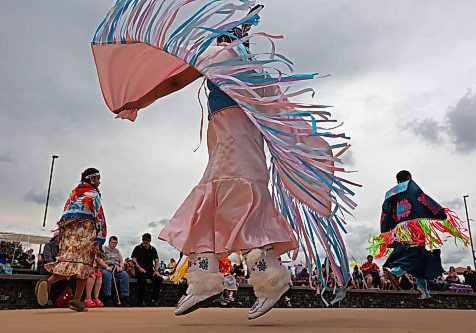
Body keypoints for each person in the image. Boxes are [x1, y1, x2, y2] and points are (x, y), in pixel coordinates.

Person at [93, 1, 358, 320]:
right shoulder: (247, 63)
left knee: (226, 203)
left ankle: (248, 281)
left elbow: (177, 81)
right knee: (222, 205)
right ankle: (217, 279)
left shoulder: (219, 55)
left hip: (233, 137)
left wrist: (137, 101)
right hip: (233, 135)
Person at [371, 170, 468, 302]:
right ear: (408, 177)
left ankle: (424, 293)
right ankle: (396, 272)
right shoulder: (410, 185)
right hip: (413, 225)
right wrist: (439, 212)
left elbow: (385, 213)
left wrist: (385, 232)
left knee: (420, 257)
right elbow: (422, 198)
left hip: (400, 228)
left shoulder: (391, 194)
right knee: (417, 252)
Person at [36, 167, 107, 312]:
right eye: (98, 178)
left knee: (68, 263)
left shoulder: (74, 193)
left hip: (69, 235)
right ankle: (76, 300)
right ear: (91, 178)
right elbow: (99, 217)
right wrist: (100, 238)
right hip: (86, 233)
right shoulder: (93, 194)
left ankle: (47, 283)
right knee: (84, 266)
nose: (99, 182)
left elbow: (65, 214)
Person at [131, 233, 163, 306]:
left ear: (149, 241)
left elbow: (156, 260)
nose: (145, 244)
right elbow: (134, 259)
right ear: (142, 240)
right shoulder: (137, 248)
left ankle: (154, 300)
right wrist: (139, 268)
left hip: (149, 270)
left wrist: (156, 271)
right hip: (139, 270)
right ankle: (141, 300)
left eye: (147, 242)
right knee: (142, 280)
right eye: (144, 242)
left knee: (158, 279)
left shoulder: (153, 249)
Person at [98, 236, 130, 305]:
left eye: (116, 243)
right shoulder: (104, 248)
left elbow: (121, 261)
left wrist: (121, 266)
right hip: (106, 267)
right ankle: (107, 296)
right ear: (109, 242)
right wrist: (106, 267)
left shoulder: (117, 251)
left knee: (125, 275)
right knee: (107, 275)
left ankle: (125, 296)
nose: (114, 244)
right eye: (113, 242)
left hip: (116, 268)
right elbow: (99, 260)